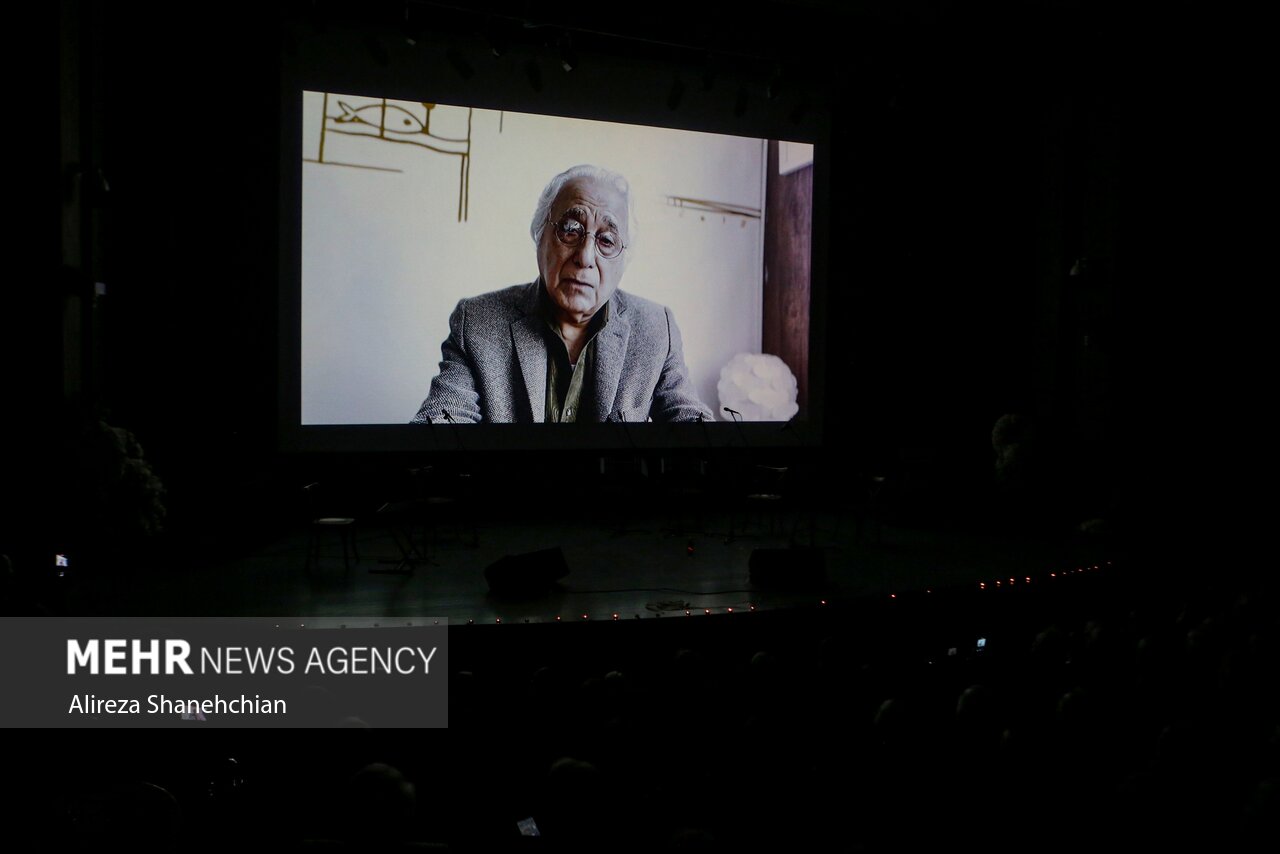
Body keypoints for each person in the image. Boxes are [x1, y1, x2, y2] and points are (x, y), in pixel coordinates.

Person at [411, 164, 713, 424]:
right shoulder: (477, 322)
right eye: (570, 229)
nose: (585, 257)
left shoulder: (656, 329)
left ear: (624, 259)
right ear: (539, 235)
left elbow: (692, 426)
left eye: (607, 240)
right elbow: (441, 423)